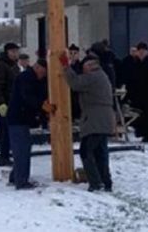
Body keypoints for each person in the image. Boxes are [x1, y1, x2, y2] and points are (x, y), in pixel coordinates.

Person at [59, 52, 114, 192]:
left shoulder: (93, 77)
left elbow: (75, 83)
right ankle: (105, 181)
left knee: (86, 151)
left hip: (95, 119)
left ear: (91, 66)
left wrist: (66, 66)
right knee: (100, 153)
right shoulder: (102, 76)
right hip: (103, 119)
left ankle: (95, 182)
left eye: (84, 67)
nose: (83, 70)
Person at [7, 58, 53, 190]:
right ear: (37, 67)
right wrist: (42, 106)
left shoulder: (32, 78)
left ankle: (15, 176)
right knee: (22, 150)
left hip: (21, 119)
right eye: (42, 73)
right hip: (18, 119)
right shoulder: (25, 78)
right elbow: (28, 97)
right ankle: (21, 181)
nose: (42, 76)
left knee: (21, 149)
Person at [0, 42, 21, 166]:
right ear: (7, 52)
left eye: (16, 52)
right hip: (5, 103)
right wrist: (1, 102)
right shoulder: (1, 66)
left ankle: (6, 153)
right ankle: (3, 156)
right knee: (5, 129)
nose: (15, 54)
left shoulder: (14, 66)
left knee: (9, 129)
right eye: (12, 52)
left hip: (14, 102)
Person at [68, 44, 83, 121]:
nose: (73, 55)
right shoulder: (67, 66)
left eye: (75, 53)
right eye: (70, 53)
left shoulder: (81, 66)